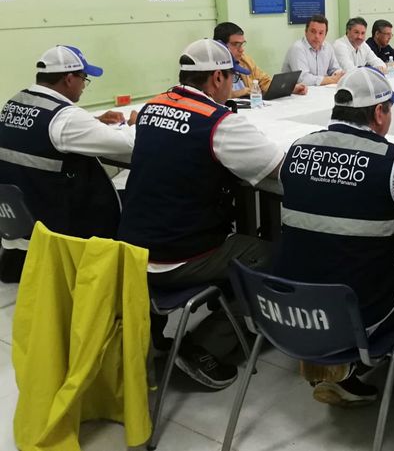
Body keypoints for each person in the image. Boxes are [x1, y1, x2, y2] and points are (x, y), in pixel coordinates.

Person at [275, 67, 394, 405]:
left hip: (296, 303)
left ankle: (345, 365)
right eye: (390, 108)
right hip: (362, 307)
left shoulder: (297, 150)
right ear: (379, 113)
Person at [119, 39, 286, 389]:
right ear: (215, 78)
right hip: (177, 255)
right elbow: (276, 166)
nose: (233, 85)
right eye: (230, 78)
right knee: (273, 256)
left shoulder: (152, 107)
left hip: (129, 250)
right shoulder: (217, 123)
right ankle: (206, 348)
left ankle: (165, 328)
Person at [0, 45, 137, 282]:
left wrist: (94, 121)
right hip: (62, 221)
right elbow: (126, 144)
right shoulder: (66, 118)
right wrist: (138, 123)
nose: (84, 85)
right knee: (136, 198)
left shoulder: (16, 102)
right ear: (69, 78)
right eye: (84, 78)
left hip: (22, 214)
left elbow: (47, 133)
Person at [213, 21, 307, 97]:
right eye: (235, 45)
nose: (241, 50)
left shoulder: (245, 60)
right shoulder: (211, 67)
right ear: (220, 45)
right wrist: (238, 93)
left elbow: (263, 81)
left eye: (242, 44)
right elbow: (209, 96)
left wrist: (291, 88)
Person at [282, 14, 344, 86]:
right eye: (313, 31)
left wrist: (340, 74)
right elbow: (303, 79)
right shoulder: (297, 48)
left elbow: (334, 69)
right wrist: (331, 79)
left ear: (325, 35)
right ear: (305, 32)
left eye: (321, 33)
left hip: (319, 91)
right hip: (296, 93)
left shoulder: (328, 47)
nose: (317, 36)